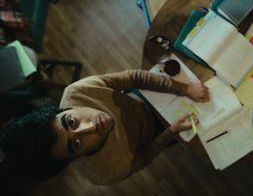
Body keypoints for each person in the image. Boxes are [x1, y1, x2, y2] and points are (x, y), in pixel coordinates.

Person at [0, 69, 209, 185]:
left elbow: (133, 78)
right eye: (77, 143)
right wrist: (170, 132)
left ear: (60, 110)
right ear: (75, 158)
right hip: (161, 131)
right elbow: (143, 157)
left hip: (148, 98)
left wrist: (185, 88)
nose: (91, 127)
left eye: (71, 122)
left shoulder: (77, 92)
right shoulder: (105, 173)